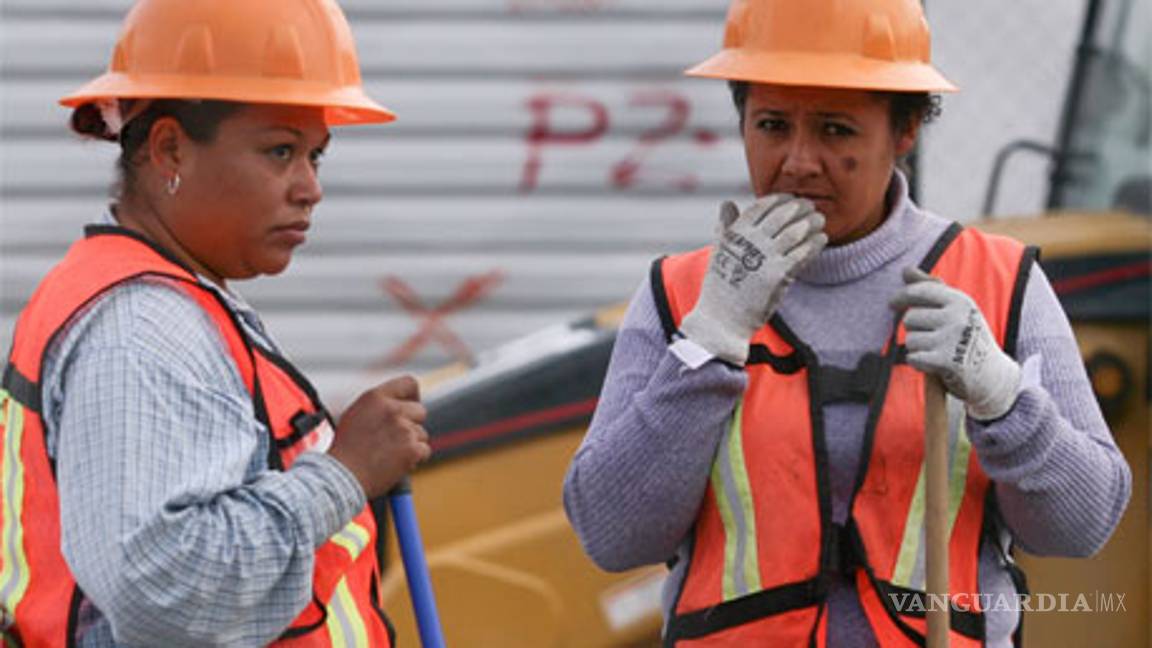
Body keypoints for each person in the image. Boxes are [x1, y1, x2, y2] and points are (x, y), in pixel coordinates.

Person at [563, 0, 1132, 646]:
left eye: (836, 130)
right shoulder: (682, 296)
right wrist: (708, 343)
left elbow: (1082, 526)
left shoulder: (999, 285)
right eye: (772, 124)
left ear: (906, 128)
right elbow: (610, 535)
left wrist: (1003, 400)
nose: (800, 160)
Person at [0, 1, 432, 646]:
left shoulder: (165, 299)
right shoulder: (140, 330)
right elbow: (163, 594)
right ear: (170, 148)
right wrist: (344, 474)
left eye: (316, 155)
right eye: (280, 151)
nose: (310, 186)